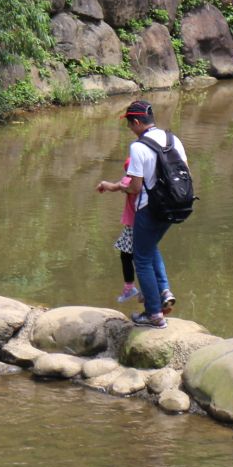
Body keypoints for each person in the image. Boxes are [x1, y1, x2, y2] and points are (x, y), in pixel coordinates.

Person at [97, 100, 183, 328]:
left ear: (136, 122)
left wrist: (119, 187)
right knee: (150, 246)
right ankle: (163, 291)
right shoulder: (173, 139)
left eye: (129, 124)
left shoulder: (138, 147)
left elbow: (135, 187)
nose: (129, 128)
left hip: (150, 209)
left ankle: (154, 314)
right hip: (176, 206)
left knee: (141, 258)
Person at [97, 158, 139, 303]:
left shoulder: (129, 182)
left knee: (127, 256)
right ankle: (151, 290)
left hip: (133, 226)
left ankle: (130, 288)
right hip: (148, 225)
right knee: (142, 256)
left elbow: (114, 187)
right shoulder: (150, 181)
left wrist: (103, 184)